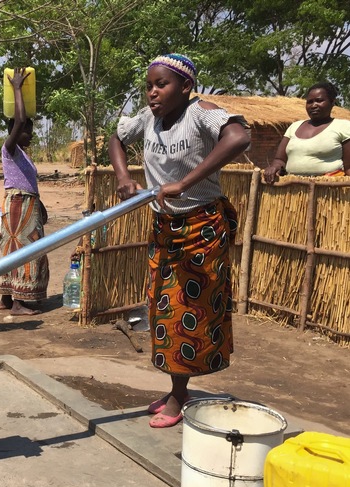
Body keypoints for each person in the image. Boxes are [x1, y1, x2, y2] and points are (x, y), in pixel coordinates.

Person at [108, 54, 251, 428]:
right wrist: (124, 177)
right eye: (149, 86)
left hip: (201, 227)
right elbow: (116, 138)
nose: (152, 93)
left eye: (161, 85)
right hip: (164, 227)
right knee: (162, 307)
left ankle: (177, 394)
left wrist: (183, 184)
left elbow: (239, 136)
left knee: (188, 308)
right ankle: (179, 388)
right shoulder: (148, 118)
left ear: (185, 87)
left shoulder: (201, 112)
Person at [0, 67, 49, 316]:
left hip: (25, 204)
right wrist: (17, 88)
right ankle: (18, 303)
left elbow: (29, 182)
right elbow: (18, 121)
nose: (30, 134)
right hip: (18, 205)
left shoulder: (23, 156)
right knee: (24, 251)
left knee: (13, 249)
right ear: (16, 133)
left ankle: (7, 299)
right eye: (27, 130)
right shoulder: (9, 149)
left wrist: (40, 204)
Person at [264, 82, 350, 184]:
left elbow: (349, 167)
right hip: (292, 188)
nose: (313, 105)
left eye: (319, 100)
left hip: (328, 189)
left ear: (332, 102)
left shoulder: (344, 126)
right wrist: (274, 167)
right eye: (309, 102)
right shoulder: (294, 127)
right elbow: (279, 159)